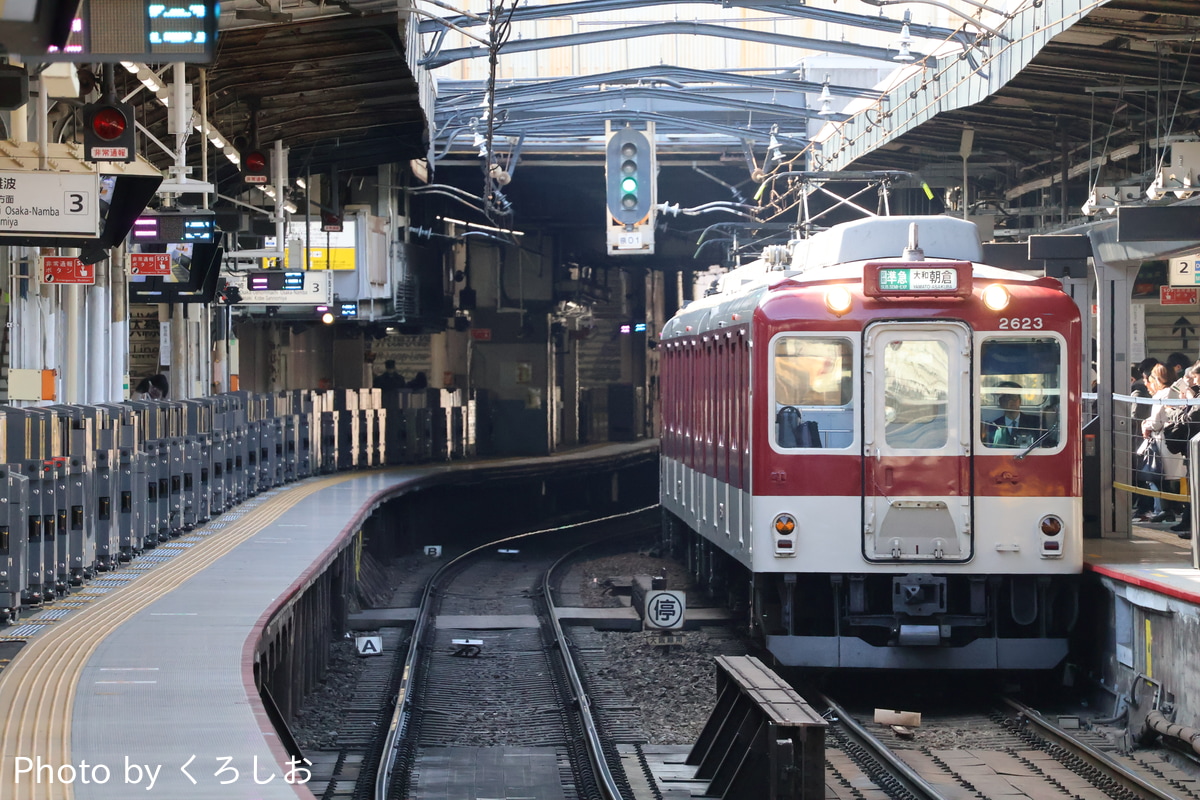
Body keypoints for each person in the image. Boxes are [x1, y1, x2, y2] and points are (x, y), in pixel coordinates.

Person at [1141, 364, 1185, 524]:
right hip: (1171, 440)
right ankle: (1169, 509)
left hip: (1164, 440)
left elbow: (1157, 421)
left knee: (1160, 476)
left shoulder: (1164, 394)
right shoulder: (1172, 391)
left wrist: (1146, 425)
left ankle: (1164, 510)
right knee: (1168, 478)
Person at [983, 381, 1043, 447]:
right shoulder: (993, 426)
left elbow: (1045, 445)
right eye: (1006, 398)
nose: (1010, 401)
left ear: (1020, 401)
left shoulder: (1035, 422)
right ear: (1000, 402)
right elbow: (988, 448)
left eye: (1013, 397)